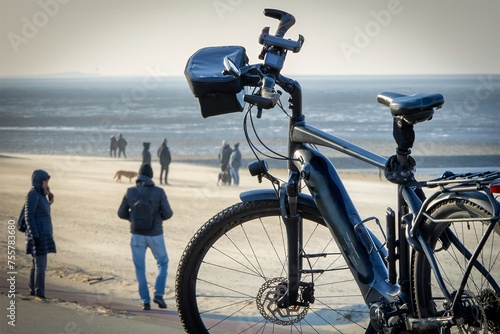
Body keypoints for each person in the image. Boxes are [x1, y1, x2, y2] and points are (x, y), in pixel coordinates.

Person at [117, 164, 173, 310]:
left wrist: (134, 219)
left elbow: (121, 213)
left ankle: (145, 301)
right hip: (155, 235)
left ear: (138, 177)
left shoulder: (130, 191)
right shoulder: (159, 192)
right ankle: (159, 294)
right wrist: (156, 218)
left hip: (136, 235)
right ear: (151, 176)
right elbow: (168, 213)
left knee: (140, 268)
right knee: (163, 262)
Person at [24, 169, 56, 300]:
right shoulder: (32, 194)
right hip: (38, 235)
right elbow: (29, 217)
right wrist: (35, 236)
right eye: (45, 180)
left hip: (43, 234)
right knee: (41, 266)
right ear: (39, 181)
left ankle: (33, 290)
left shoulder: (41, 194)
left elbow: (42, 213)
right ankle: (40, 293)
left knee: (36, 264)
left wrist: (49, 197)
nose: (46, 183)